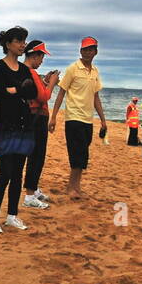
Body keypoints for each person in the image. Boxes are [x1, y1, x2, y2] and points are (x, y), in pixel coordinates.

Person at [0, 27, 38, 233]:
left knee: (18, 175)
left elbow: (33, 91)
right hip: (5, 128)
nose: (22, 45)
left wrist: (14, 90)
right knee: (5, 174)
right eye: (19, 41)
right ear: (8, 44)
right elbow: (0, 93)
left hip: (23, 126)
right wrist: (19, 89)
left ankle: (12, 216)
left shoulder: (25, 69)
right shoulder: (0, 67)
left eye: (24, 41)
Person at [48, 36, 106, 199]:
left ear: (96, 51)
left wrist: (102, 119)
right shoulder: (72, 68)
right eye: (85, 49)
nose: (88, 52)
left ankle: (76, 186)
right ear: (81, 51)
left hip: (88, 119)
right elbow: (61, 93)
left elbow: (96, 97)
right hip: (73, 117)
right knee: (76, 153)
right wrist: (53, 117)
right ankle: (70, 187)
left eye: (91, 49)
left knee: (83, 154)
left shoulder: (95, 71)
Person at [21, 40, 58, 209]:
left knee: (36, 156)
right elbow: (43, 97)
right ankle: (29, 195)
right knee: (36, 156)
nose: (42, 60)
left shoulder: (27, 72)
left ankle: (33, 189)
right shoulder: (30, 72)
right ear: (34, 55)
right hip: (36, 119)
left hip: (34, 118)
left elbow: (36, 92)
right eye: (41, 56)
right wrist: (52, 83)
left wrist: (45, 82)